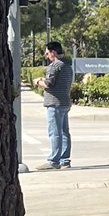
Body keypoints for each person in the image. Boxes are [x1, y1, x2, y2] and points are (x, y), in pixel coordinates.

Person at [34, 41, 74, 170]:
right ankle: (65, 160)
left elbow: (49, 84)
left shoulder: (54, 66)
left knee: (55, 132)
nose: (46, 56)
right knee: (64, 132)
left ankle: (53, 161)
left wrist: (38, 81)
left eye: (47, 53)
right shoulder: (67, 66)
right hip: (65, 102)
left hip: (54, 103)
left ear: (53, 52)